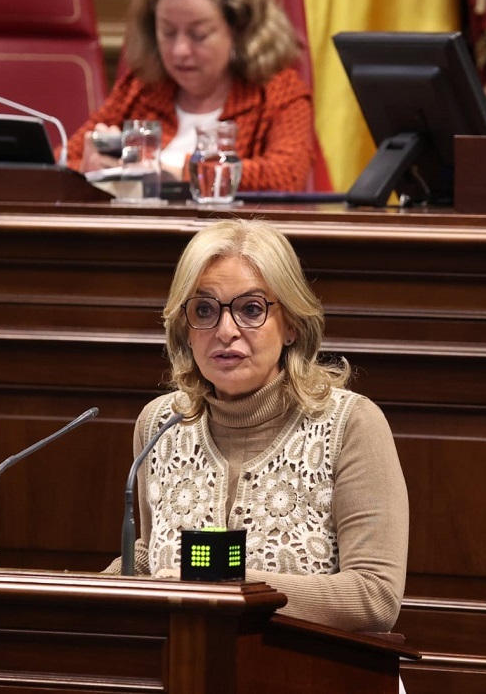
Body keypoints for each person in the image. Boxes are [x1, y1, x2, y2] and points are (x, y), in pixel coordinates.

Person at [108, 218, 409, 634]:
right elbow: (149, 554)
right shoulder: (160, 424)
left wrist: (222, 588)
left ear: (291, 325)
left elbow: (373, 596)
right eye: (204, 310)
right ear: (184, 327)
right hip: (187, 669)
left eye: (251, 309)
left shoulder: (351, 425)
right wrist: (91, 591)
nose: (226, 331)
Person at [67, 0, 317, 192]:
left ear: (240, 31)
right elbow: (61, 162)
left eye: (198, 35)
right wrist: (89, 169)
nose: (180, 51)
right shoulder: (141, 88)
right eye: (167, 32)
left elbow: (287, 176)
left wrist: (173, 171)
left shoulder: (279, 92)